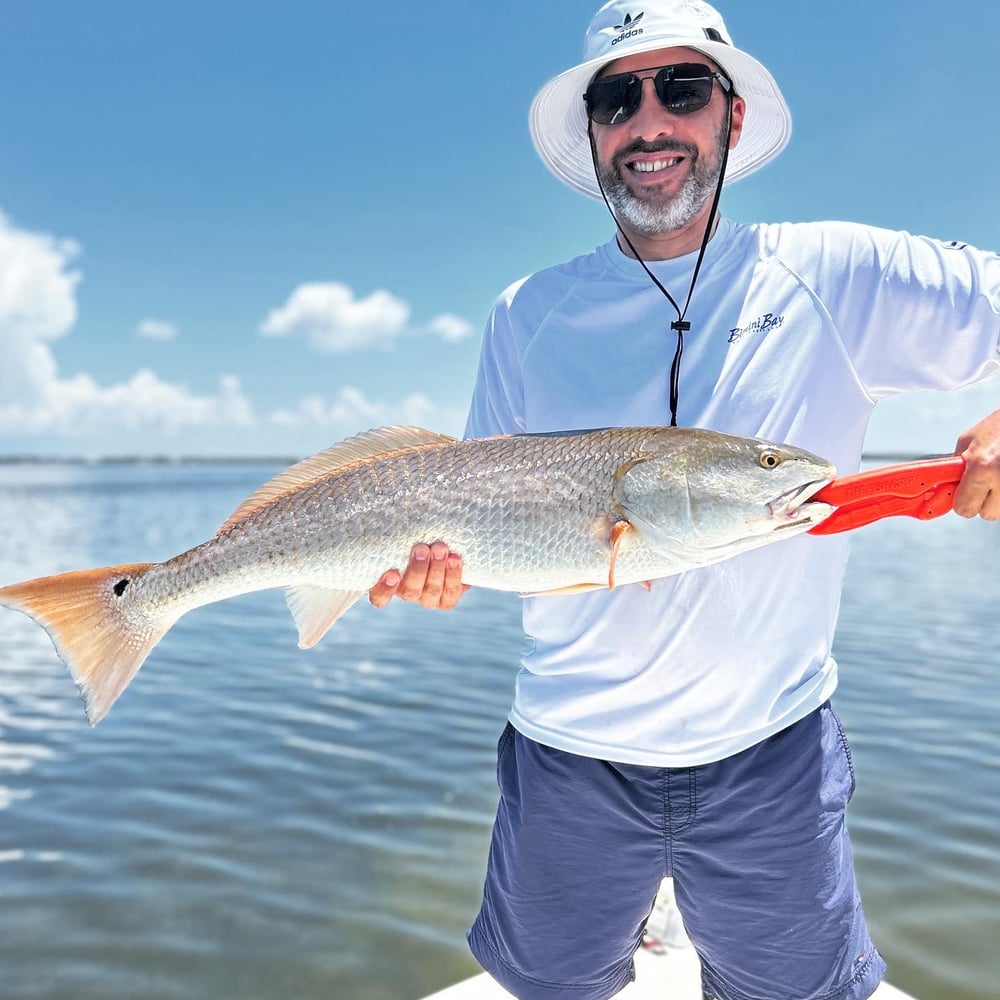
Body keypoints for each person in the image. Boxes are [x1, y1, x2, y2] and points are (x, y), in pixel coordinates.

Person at [370, 2, 1000, 998]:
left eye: (682, 88)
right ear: (593, 136)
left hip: (772, 755)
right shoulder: (527, 315)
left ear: (731, 117)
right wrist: (441, 572)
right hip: (566, 754)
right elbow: (482, 514)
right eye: (618, 98)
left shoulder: (839, 273)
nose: (649, 121)